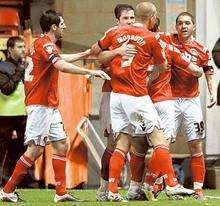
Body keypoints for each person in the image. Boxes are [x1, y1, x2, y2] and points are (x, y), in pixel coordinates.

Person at [0, 9, 110, 203]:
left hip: (48, 105)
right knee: (35, 150)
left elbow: (59, 59)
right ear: (53, 27)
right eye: (62, 24)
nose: (65, 27)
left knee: (61, 144)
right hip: (40, 105)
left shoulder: (44, 44)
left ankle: (60, 193)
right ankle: (7, 190)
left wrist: (83, 53)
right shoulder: (45, 45)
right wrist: (89, 72)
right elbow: (60, 65)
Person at [98, 2, 195, 202]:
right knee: (159, 138)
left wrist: (115, 55)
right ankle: (172, 184)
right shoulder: (151, 38)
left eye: (131, 17)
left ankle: (113, 191)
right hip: (137, 95)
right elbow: (162, 65)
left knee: (123, 142)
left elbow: (97, 53)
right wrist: (147, 77)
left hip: (117, 96)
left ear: (136, 16)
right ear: (152, 17)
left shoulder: (116, 34)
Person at [92, 4, 147, 201]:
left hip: (132, 95)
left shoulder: (140, 34)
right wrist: (114, 55)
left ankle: (131, 188)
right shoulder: (113, 33)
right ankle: (103, 189)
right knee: (113, 143)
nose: (130, 22)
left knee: (134, 141)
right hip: (112, 94)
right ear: (117, 21)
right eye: (126, 18)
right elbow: (95, 51)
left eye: (132, 18)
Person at [165, 12, 216, 200]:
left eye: (187, 23)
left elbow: (209, 72)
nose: (183, 26)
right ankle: (159, 185)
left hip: (191, 102)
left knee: (196, 145)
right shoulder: (168, 43)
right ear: (175, 26)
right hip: (168, 101)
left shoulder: (201, 49)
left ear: (194, 26)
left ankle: (198, 189)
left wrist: (211, 93)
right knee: (163, 144)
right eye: (180, 23)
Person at [0, 37, 27, 187]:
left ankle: (11, 183)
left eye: (24, 46)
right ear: (10, 50)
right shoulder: (2, 67)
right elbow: (7, 89)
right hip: (5, 116)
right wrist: (19, 72)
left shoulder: (25, 66)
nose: (23, 49)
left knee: (19, 150)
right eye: (19, 47)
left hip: (23, 115)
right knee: (2, 150)